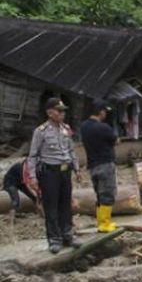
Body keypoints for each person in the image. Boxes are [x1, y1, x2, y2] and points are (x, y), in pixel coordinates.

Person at [27, 98, 82, 254]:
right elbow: (32, 156)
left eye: (63, 110)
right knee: (51, 206)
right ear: (50, 112)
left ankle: (67, 235)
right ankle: (54, 239)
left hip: (65, 171)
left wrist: (77, 170)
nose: (62, 114)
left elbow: (71, 151)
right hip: (49, 172)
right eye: (59, 111)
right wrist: (32, 177)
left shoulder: (66, 129)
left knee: (65, 204)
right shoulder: (41, 131)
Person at [79, 100, 118, 233]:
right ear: (101, 112)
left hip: (92, 165)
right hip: (106, 164)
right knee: (107, 193)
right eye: (105, 111)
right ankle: (105, 223)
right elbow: (115, 140)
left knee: (99, 195)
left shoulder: (84, 127)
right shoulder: (104, 127)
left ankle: (100, 222)